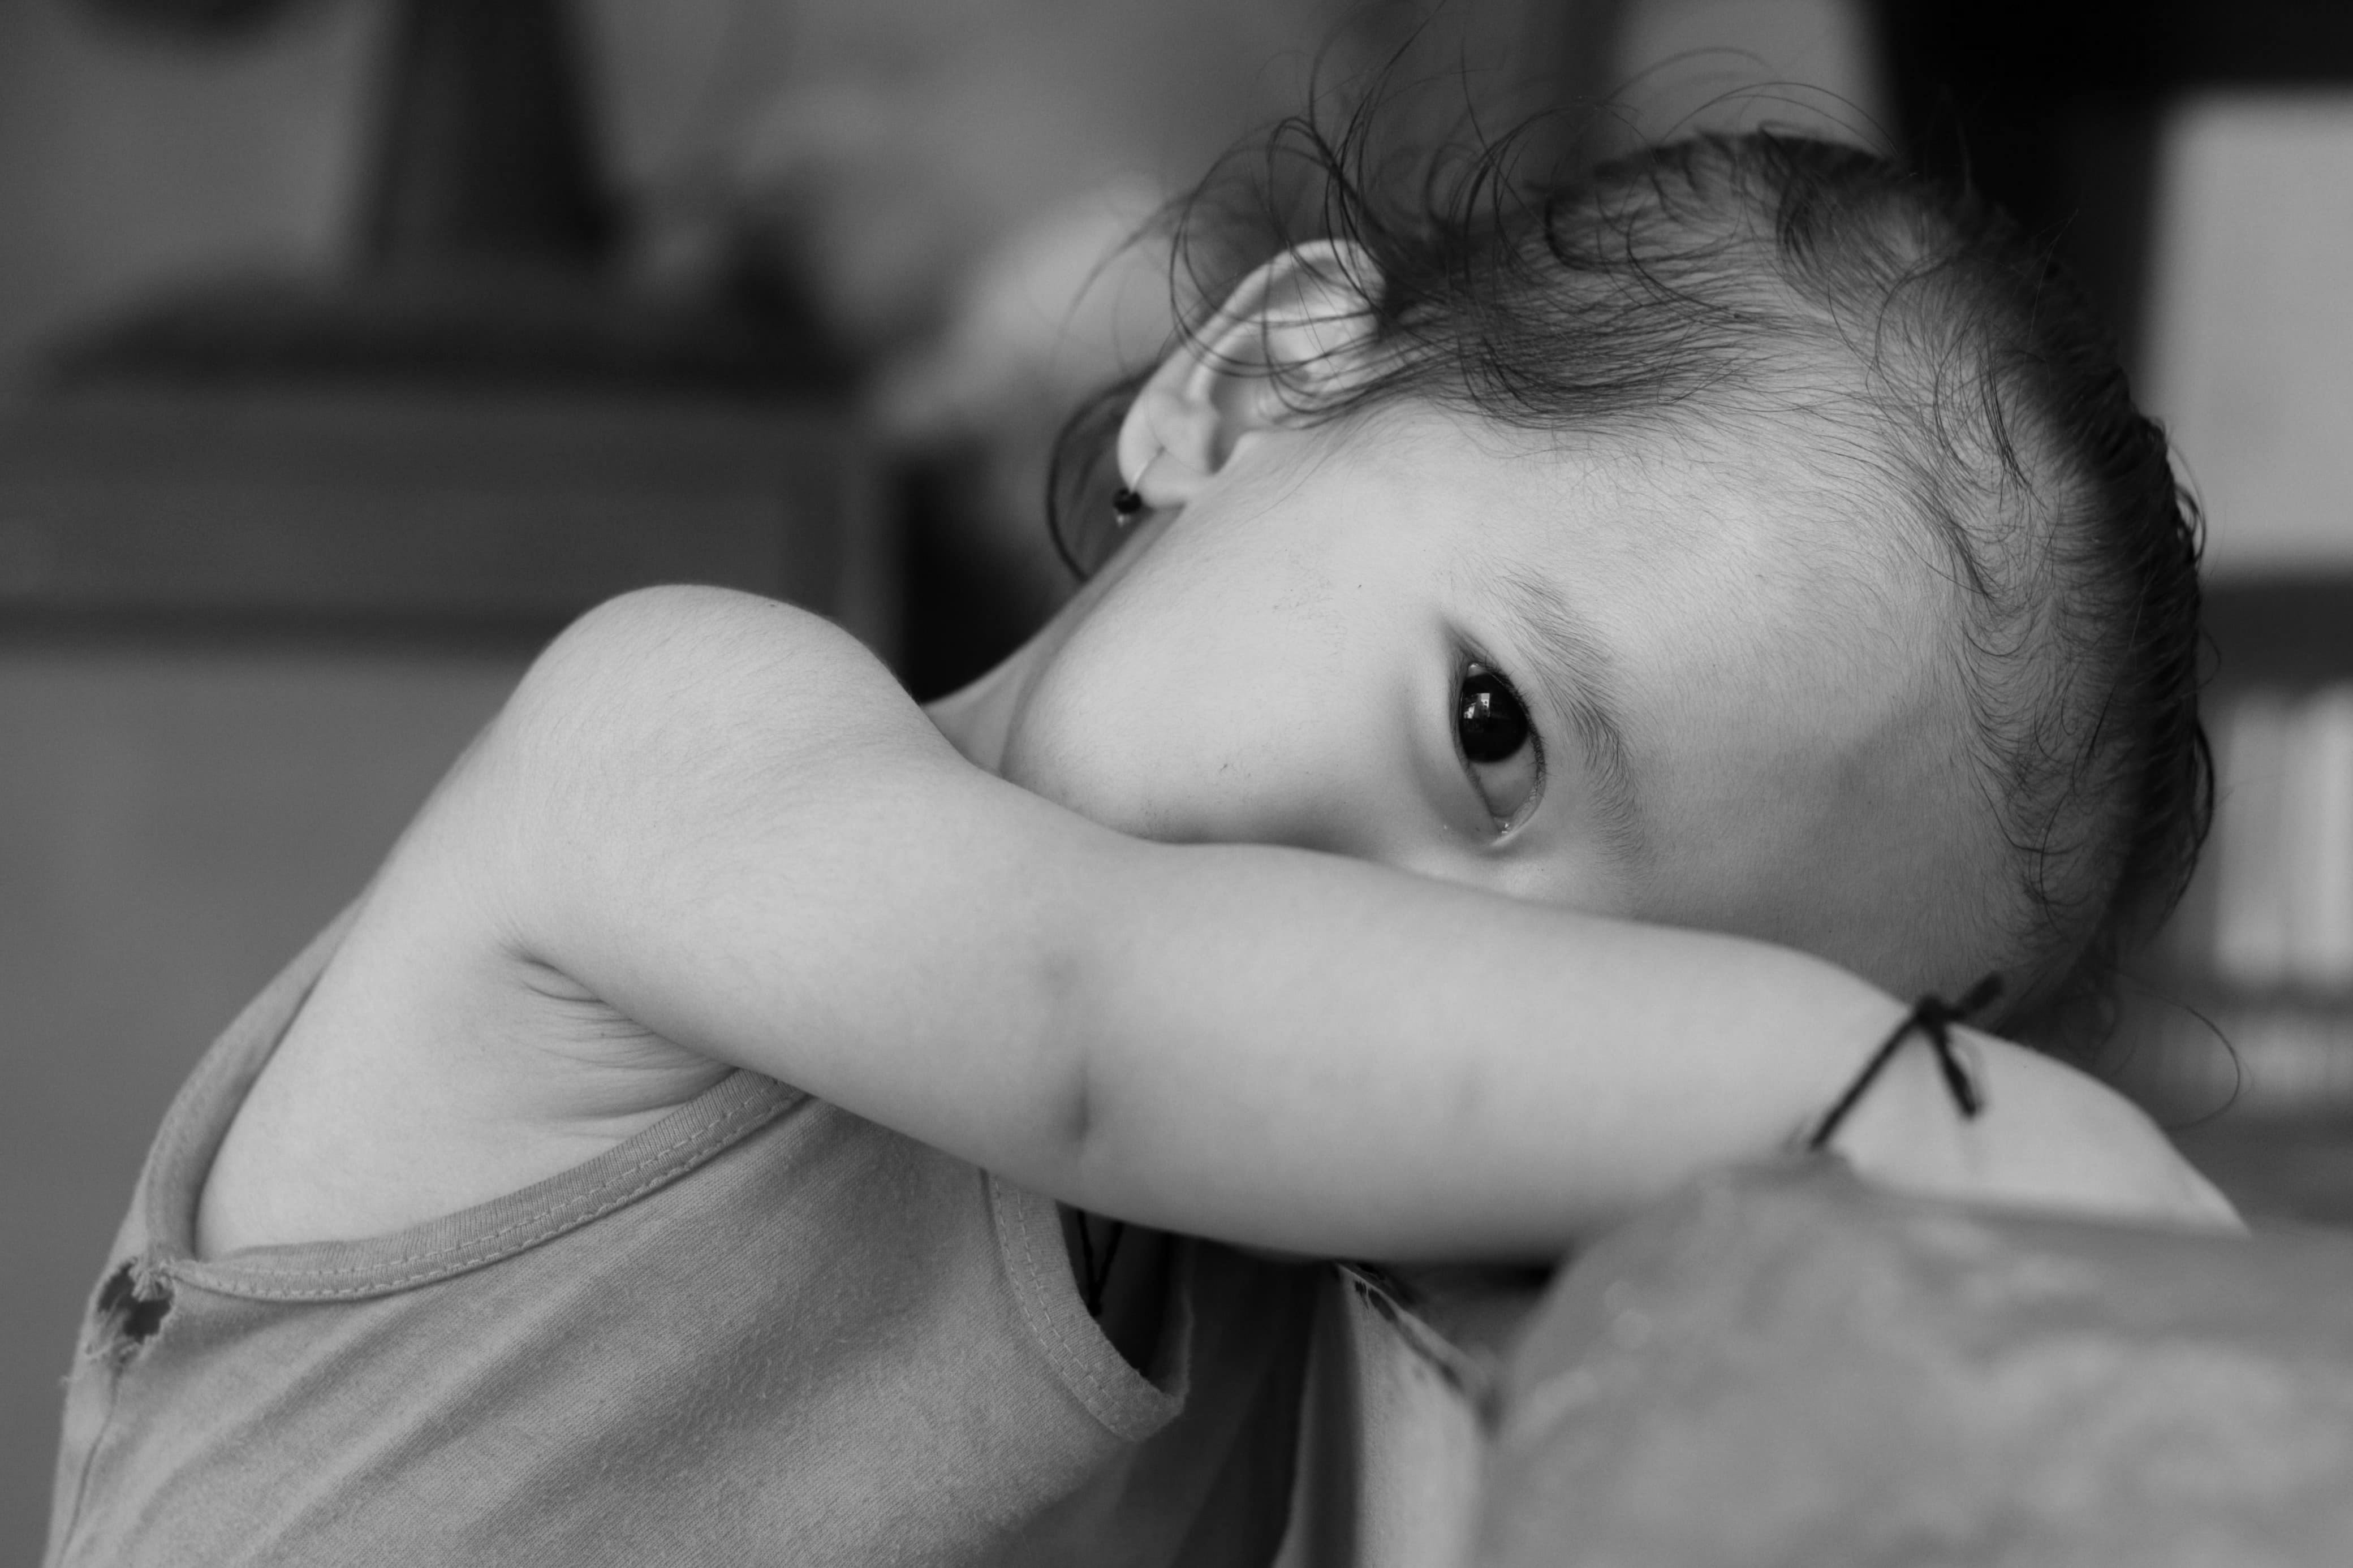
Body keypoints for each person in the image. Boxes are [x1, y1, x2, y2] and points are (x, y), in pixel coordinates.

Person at [46, 126, 2233, 1567]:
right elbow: (1092, 1015)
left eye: (1599, 1024)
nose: (1448, 1014)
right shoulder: (678, 740)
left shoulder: (1294, 1320)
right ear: (1260, 379)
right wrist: (1927, 1124)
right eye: (1492, 732)